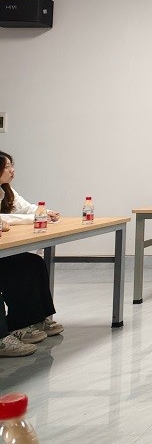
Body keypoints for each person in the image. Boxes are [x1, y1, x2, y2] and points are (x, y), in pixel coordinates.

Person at [0, 150, 64, 357]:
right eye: (7, 166)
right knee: (17, 268)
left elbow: (26, 208)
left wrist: (44, 213)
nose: (12, 170)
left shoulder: (6, 190)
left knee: (33, 262)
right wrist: (31, 219)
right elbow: (4, 218)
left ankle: (35, 319)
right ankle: (9, 331)